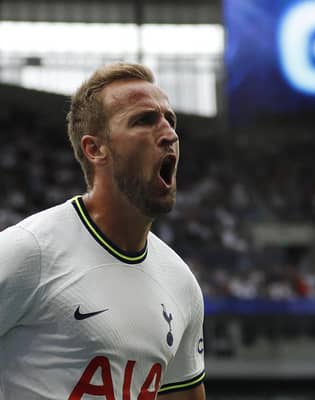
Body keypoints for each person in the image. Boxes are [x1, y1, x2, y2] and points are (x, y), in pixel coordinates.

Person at [0, 62, 206, 400]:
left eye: (170, 120)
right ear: (95, 149)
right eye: (144, 120)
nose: (169, 133)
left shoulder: (180, 282)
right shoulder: (29, 251)